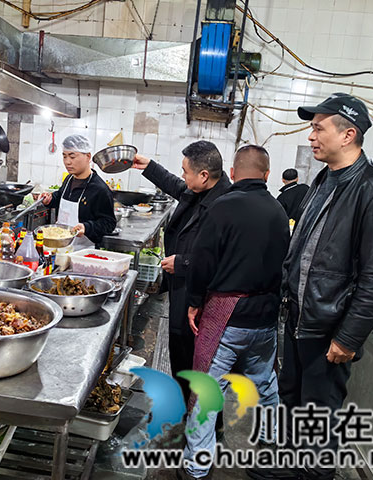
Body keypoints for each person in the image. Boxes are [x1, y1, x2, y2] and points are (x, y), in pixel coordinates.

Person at [247, 93, 373, 480]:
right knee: (291, 401)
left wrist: (349, 338)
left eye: (319, 128)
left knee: (319, 414)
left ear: (348, 134)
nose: (311, 135)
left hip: (330, 327)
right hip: (300, 318)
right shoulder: (324, 178)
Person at [178, 145, 290, 480]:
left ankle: (197, 468)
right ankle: (272, 452)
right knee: (267, 388)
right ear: (267, 175)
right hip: (266, 318)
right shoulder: (279, 211)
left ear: (233, 172)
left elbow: (202, 261)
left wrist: (195, 301)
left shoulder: (223, 207)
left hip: (226, 316)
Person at [132, 141, 231, 404]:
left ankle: (202, 414)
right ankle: (184, 404)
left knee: (196, 353)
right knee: (178, 345)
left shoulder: (225, 205)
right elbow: (178, 186)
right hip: (182, 285)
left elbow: (223, 256)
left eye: (186, 171)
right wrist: (150, 167)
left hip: (200, 292)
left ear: (203, 175)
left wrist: (183, 263)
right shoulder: (200, 190)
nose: (183, 176)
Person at [41, 135, 116, 249]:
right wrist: (50, 199)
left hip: (82, 250)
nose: (67, 162)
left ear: (88, 156)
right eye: (64, 156)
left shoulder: (100, 189)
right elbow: (61, 196)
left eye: (72, 156)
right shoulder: (69, 179)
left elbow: (109, 223)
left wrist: (87, 227)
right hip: (59, 246)